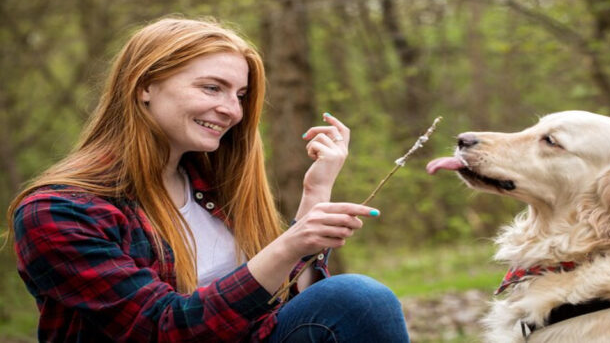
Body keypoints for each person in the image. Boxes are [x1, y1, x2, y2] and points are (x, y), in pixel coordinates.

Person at [6, 17, 409, 342]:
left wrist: (315, 192)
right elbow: (160, 328)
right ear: (145, 86)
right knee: (356, 296)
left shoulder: (210, 187)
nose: (231, 110)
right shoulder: (58, 211)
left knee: (357, 301)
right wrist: (290, 243)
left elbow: (288, 301)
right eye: (212, 88)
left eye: (240, 95)